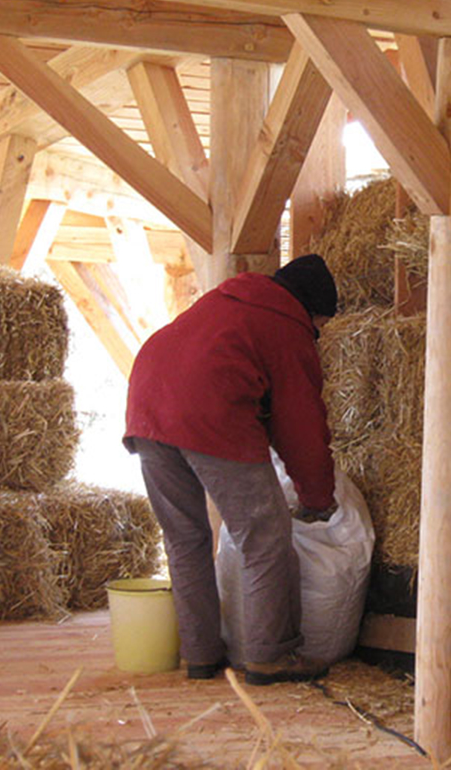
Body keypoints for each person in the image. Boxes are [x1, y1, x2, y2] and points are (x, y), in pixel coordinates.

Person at [124, 254, 339, 686]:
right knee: (265, 538)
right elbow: (301, 425)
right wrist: (318, 498)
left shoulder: (228, 301)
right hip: (208, 412)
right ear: (312, 310)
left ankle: (200, 655)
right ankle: (269, 656)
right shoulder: (287, 325)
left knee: (185, 539)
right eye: (320, 324)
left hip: (146, 407)